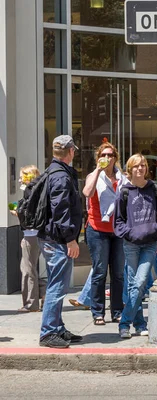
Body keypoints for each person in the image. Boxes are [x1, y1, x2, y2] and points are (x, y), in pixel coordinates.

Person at [113, 154, 157, 338]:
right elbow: (118, 220)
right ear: (130, 169)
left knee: (141, 281)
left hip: (150, 244)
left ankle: (124, 322)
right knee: (132, 285)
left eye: (143, 165)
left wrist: (155, 230)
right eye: (136, 166)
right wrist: (129, 233)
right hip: (131, 244)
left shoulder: (155, 189)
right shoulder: (125, 192)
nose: (140, 168)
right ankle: (139, 324)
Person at [38, 135, 83, 348]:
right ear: (71, 151)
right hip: (58, 240)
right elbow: (61, 210)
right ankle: (48, 333)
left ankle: (57, 328)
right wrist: (70, 240)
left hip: (50, 238)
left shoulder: (51, 172)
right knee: (57, 286)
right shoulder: (61, 177)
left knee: (58, 285)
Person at [82, 142, 128, 326]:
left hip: (117, 229)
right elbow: (87, 192)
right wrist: (98, 172)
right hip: (97, 229)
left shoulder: (122, 178)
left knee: (117, 274)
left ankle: (117, 311)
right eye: (103, 155)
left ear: (115, 158)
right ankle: (97, 312)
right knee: (99, 272)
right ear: (98, 158)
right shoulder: (94, 176)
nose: (107, 158)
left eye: (110, 155)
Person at [12, 165, 46, 313]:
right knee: (27, 268)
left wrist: (18, 212)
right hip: (32, 234)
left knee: (28, 270)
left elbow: (30, 214)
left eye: (22, 176)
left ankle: (31, 304)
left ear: (28, 177)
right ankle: (44, 291)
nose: (19, 179)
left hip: (32, 235)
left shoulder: (31, 192)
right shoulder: (35, 192)